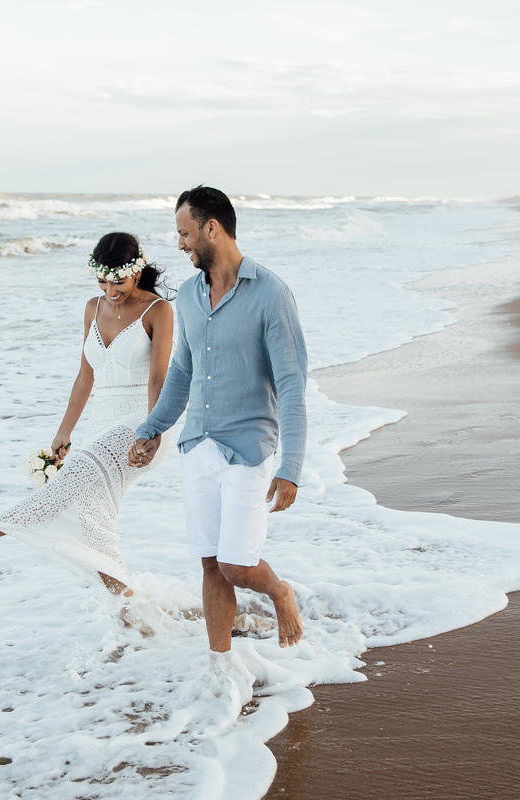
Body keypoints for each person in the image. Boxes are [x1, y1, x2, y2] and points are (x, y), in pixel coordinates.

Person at [0, 232, 174, 596]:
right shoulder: (93, 308)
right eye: (102, 280)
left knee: (72, 484)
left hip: (143, 421)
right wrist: (64, 433)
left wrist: (151, 431)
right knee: (92, 522)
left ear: (137, 271)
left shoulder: (158, 311)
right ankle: (131, 608)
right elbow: (84, 376)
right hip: (101, 423)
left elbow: (159, 378)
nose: (110, 290)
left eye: (118, 280)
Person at [128, 186, 308, 652]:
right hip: (197, 448)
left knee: (236, 566)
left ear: (212, 228)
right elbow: (182, 373)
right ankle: (220, 666)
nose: (181, 243)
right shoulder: (187, 296)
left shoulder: (271, 293)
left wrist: (291, 467)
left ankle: (280, 592)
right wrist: (151, 429)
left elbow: (290, 384)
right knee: (210, 564)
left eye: (185, 233)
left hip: (248, 450)